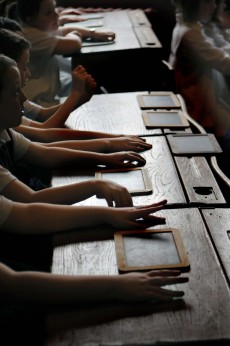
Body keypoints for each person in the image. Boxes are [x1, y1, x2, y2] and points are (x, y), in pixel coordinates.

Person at [0, 55, 189, 345]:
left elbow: (43, 159)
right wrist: (118, 287)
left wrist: (104, 161)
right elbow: (13, 283)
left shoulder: (5, 133)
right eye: (14, 91)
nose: (23, 97)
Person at [0, 28, 152, 155]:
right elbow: (46, 134)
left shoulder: (14, 97)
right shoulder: (8, 106)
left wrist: (80, 98)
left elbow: (45, 116)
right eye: (24, 66)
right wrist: (74, 96)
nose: (28, 73)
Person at [16, 0, 116, 106]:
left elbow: (66, 29)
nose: (56, 14)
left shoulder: (37, 27)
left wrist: (93, 33)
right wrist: (77, 34)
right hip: (38, 101)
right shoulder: (31, 36)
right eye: (48, 13)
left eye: (54, 9)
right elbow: (74, 44)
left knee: (90, 81)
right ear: (30, 20)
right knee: (89, 80)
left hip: (48, 91)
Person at [169, 0, 230, 141]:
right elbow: (224, 63)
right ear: (193, 5)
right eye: (208, 2)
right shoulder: (190, 34)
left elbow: (220, 48)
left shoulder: (189, 27)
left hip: (205, 101)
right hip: (201, 111)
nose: (214, 6)